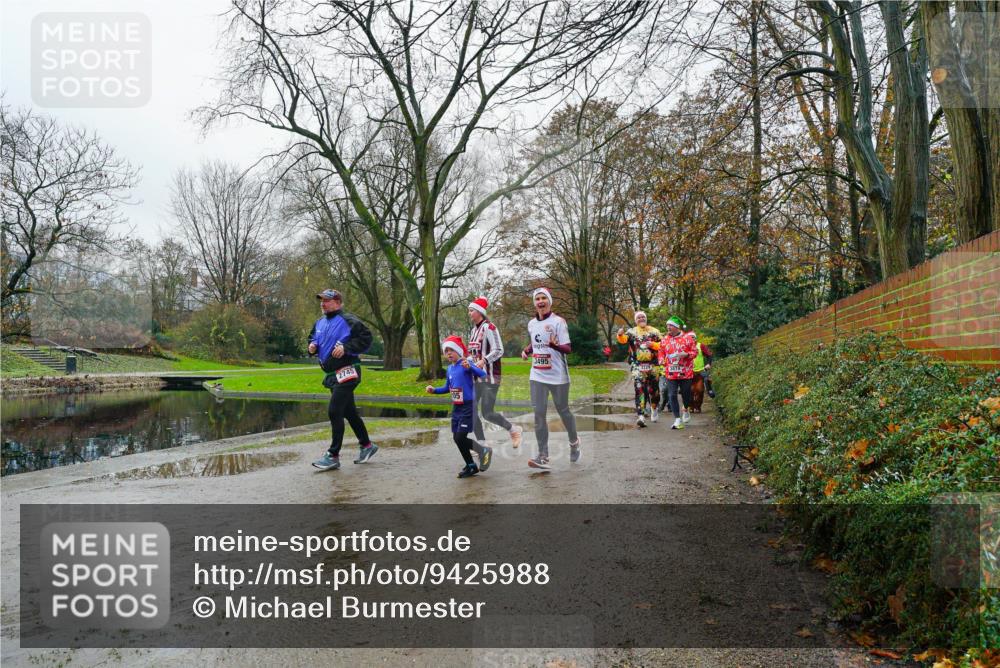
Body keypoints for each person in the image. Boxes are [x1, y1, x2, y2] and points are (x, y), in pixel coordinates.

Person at [309, 289, 378, 470]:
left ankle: (333, 455)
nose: (323, 304)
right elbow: (313, 338)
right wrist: (312, 346)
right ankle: (367, 445)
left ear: (338, 303)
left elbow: (366, 338)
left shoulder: (349, 320)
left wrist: (347, 348)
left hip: (348, 370)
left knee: (334, 411)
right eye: (322, 300)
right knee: (349, 412)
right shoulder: (319, 322)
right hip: (332, 374)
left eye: (327, 300)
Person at [521, 287, 580, 470]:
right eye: (537, 299)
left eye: (543, 298)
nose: (540, 301)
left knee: (563, 411)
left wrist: (555, 346)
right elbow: (536, 341)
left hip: (558, 376)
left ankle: (574, 442)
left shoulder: (558, 322)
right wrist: (527, 350)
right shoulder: (532, 324)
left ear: (549, 301)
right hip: (537, 374)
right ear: (535, 303)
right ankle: (543, 456)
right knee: (539, 413)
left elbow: (568, 348)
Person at [468, 297, 523, 461]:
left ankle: (513, 429)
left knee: (487, 413)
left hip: (490, 377)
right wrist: (467, 362)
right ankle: (481, 444)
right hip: (476, 378)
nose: (469, 313)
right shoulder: (473, 331)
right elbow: (473, 354)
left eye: (471, 310)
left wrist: (484, 361)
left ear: (480, 312)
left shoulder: (490, 328)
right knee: (470, 409)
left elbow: (499, 350)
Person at [426, 336, 488, 478]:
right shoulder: (449, 369)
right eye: (446, 351)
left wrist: (470, 367)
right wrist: (434, 390)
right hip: (457, 407)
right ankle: (471, 466)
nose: (449, 353)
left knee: (460, 437)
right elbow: (447, 387)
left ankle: (482, 451)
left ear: (458, 351)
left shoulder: (465, 363)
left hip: (468, 405)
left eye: (451, 350)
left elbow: (483, 374)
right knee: (456, 438)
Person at [616, 311, 662, 427]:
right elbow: (623, 340)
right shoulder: (632, 332)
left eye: (643, 317)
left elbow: (663, 345)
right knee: (639, 388)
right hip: (638, 365)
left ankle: (654, 408)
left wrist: (653, 345)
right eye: (638, 317)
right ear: (636, 320)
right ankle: (640, 415)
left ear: (646, 318)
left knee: (654, 391)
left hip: (653, 365)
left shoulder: (654, 331)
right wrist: (620, 334)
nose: (641, 319)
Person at [658, 316, 697, 430]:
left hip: (685, 372)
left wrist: (686, 354)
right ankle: (677, 419)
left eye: (670, 325)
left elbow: (695, 352)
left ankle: (686, 408)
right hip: (671, 372)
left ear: (677, 327)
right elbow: (661, 351)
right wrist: (661, 360)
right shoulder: (665, 339)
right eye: (667, 325)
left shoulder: (687, 338)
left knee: (686, 394)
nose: (668, 327)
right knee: (672, 395)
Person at [690, 331, 716, 399]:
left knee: (707, 379)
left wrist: (708, 364)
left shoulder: (700, 345)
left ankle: (710, 390)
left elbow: (709, 355)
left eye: (693, 337)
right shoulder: (684, 347)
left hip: (700, 369)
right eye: (689, 338)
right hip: (689, 371)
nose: (691, 339)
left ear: (695, 338)